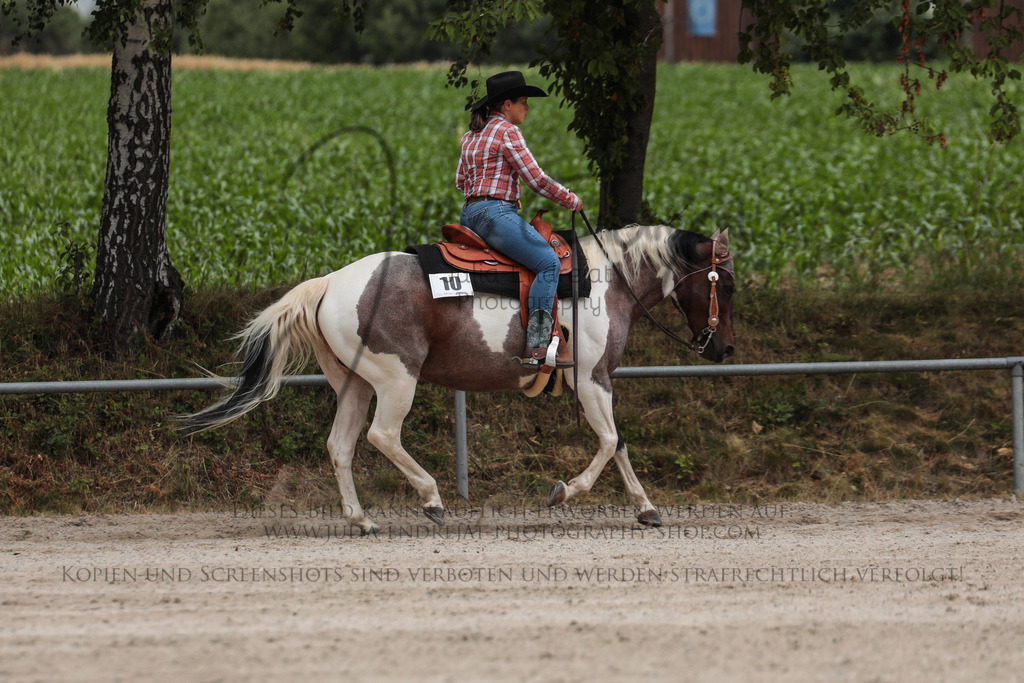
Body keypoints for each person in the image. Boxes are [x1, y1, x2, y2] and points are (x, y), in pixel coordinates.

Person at [456, 70, 583, 365]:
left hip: (469, 215)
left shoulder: (469, 136)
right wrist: (571, 200)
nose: (528, 107)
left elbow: (460, 182)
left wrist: (496, 192)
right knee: (548, 263)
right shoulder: (507, 131)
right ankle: (538, 344)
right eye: (524, 102)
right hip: (495, 215)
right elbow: (536, 179)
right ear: (507, 104)